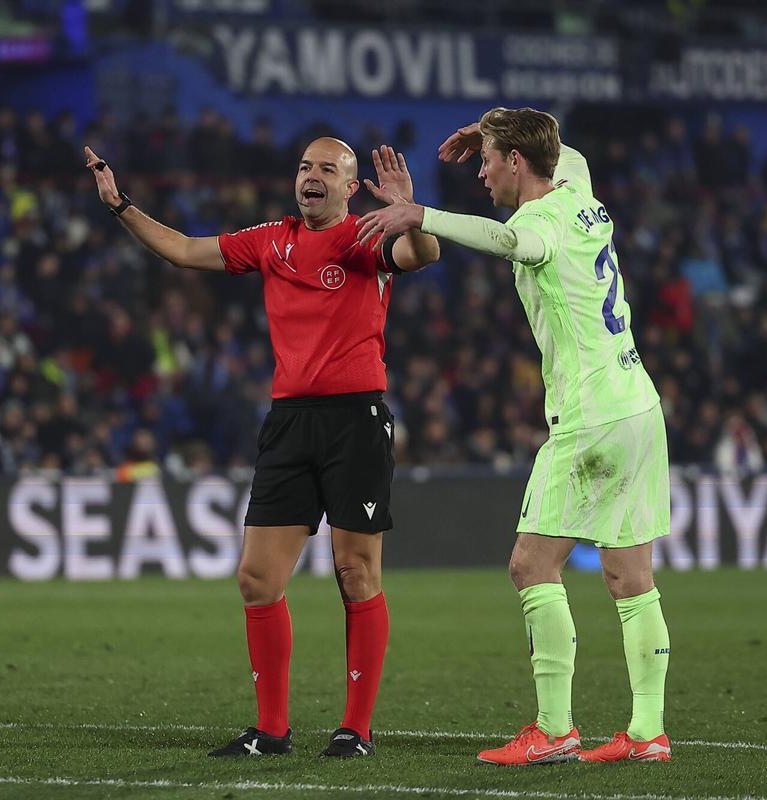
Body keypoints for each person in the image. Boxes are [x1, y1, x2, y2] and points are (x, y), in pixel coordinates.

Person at [84, 138, 440, 758]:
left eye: (327, 169)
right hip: (289, 422)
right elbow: (184, 249)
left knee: (356, 572)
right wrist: (120, 206)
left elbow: (421, 254)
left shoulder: (365, 236)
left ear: (349, 187)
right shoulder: (271, 240)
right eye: (304, 167)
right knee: (256, 578)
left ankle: (355, 730)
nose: (311, 176)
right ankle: (272, 730)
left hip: (355, 420)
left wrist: (412, 215)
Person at [356, 108, 672, 766]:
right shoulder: (578, 189)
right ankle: (647, 732)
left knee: (531, 566)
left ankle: (553, 729)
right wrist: (491, 131)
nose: (482, 173)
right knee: (631, 577)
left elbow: (504, 241)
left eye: (488, 161)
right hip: (639, 405)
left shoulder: (540, 222)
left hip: (591, 417)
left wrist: (421, 215)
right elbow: (560, 151)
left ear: (517, 164)